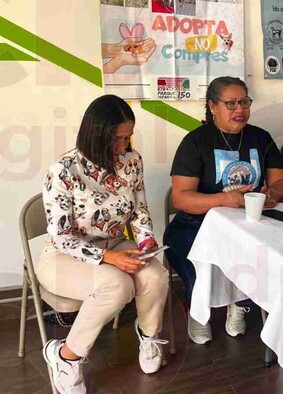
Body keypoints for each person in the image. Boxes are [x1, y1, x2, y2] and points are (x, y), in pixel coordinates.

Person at [39, 95, 170, 393]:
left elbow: (139, 210)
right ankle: (65, 356)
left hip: (115, 243)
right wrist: (111, 258)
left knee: (155, 274)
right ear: (95, 135)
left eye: (128, 137)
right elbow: (62, 236)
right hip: (64, 254)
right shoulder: (64, 170)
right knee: (118, 286)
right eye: (117, 139)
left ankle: (149, 337)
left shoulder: (132, 161)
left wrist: (147, 239)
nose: (123, 146)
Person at [163, 76, 283, 344]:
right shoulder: (196, 142)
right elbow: (181, 198)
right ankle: (199, 312)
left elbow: (280, 182)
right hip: (196, 223)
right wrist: (224, 199)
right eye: (230, 103)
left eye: (244, 102)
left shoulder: (260, 137)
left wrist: (272, 195)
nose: (239, 109)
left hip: (250, 221)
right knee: (194, 258)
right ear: (212, 106)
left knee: (268, 253)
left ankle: (239, 304)